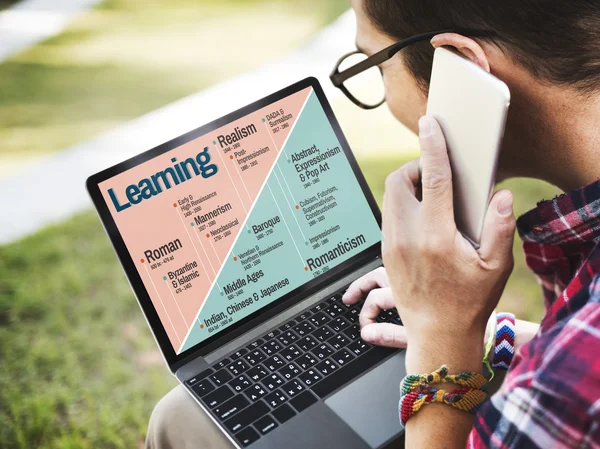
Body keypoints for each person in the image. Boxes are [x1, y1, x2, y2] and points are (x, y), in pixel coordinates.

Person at [145, 0, 600, 448]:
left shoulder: (566, 394)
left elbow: (569, 377)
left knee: (177, 420)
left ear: (463, 69)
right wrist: (486, 335)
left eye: (374, 65)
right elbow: (567, 350)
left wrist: (442, 342)